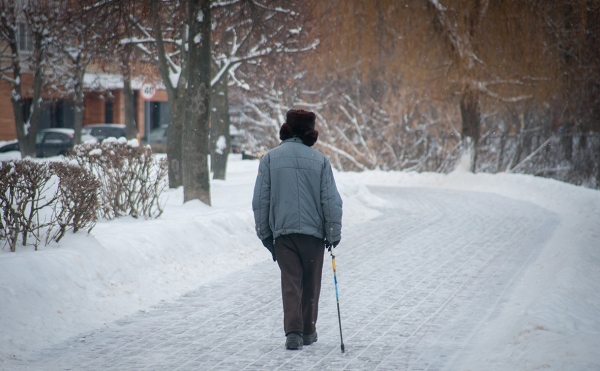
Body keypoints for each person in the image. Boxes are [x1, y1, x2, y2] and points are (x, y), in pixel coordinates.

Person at [252, 109, 343, 350]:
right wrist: (333, 233)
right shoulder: (321, 161)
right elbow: (331, 201)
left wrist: (265, 234)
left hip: (284, 235)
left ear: (287, 129)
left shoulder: (270, 159)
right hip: (313, 236)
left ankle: (293, 331)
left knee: (291, 282)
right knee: (311, 283)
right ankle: (308, 330)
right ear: (310, 133)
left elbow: (261, 200)